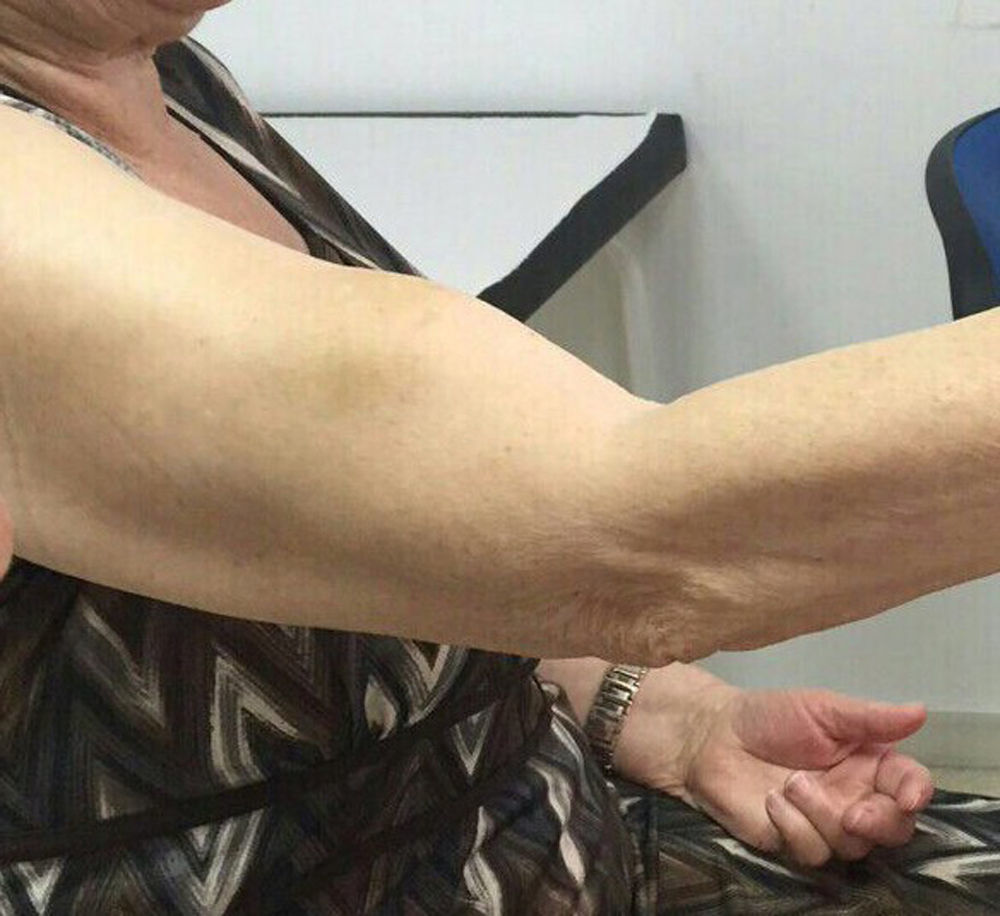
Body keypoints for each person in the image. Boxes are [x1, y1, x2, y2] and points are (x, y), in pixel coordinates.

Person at [0, 2, 999, 913]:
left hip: (552, 827)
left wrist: (663, 713)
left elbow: (412, 533)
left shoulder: (165, 78)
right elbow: (642, 538)